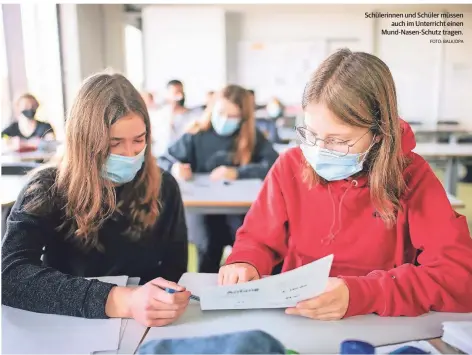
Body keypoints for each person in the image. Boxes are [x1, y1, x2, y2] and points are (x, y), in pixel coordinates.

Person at [219, 49, 472, 320]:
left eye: (339, 140)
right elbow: (257, 239)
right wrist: (246, 260)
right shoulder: (291, 164)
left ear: (379, 132)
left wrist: (364, 294)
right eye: (312, 134)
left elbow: (459, 278)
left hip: (380, 325)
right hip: (300, 317)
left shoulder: (412, 175)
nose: (319, 150)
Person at [2, 72, 190, 327]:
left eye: (139, 140)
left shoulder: (163, 185)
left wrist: (163, 304)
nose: (130, 154)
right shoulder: (47, 188)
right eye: (114, 143)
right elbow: (10, 275)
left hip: (144, 324)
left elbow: (175, 264)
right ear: (85, 142)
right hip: (66, 321)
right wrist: (120, 301)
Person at [158, 84, 279, 273]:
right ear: (212, 109)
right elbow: (162, 160)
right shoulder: (195, 134)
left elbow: (273, 164)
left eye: (232, 116)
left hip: (237, 209)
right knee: (207, 245)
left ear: (243, 118)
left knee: (245, 243)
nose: (224, 120)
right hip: (202, 209)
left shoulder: (251, 136)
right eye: (221, 112)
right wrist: (175, 168)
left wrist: (238, 172)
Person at [151, 80, 197, 157]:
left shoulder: (190, 115)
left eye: (181, 92)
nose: (179, 96)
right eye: (175, 93)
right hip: (160, 157)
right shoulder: (158, 115)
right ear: (168, 94)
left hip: (181, 158)